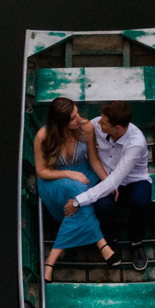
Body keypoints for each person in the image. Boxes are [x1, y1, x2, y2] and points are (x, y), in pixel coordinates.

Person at [33, 97, 118, 283]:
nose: (79, 119)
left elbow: (94, 159)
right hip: (54, 178)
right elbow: (41, 171)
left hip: (84, 171)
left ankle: (50, 260)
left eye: (78, 113)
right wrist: (69, 174)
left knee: (79, 194)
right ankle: (100, 243)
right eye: (73, 118)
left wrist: (108, 181)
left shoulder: (86, 128)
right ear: (61, 122)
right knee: (79, 189)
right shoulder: (43, 136)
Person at [63, 100, 153, 270]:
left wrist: (77, 201)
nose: (98, 123)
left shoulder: (136, 143)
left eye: (104, 122)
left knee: (142, 202)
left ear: (117, 128)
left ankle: (136, 242)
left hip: (134, 180)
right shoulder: (99, 124)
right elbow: (80, 124)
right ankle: (110, 241)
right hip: (107, 176)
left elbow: (115, 181)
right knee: (103, 205)